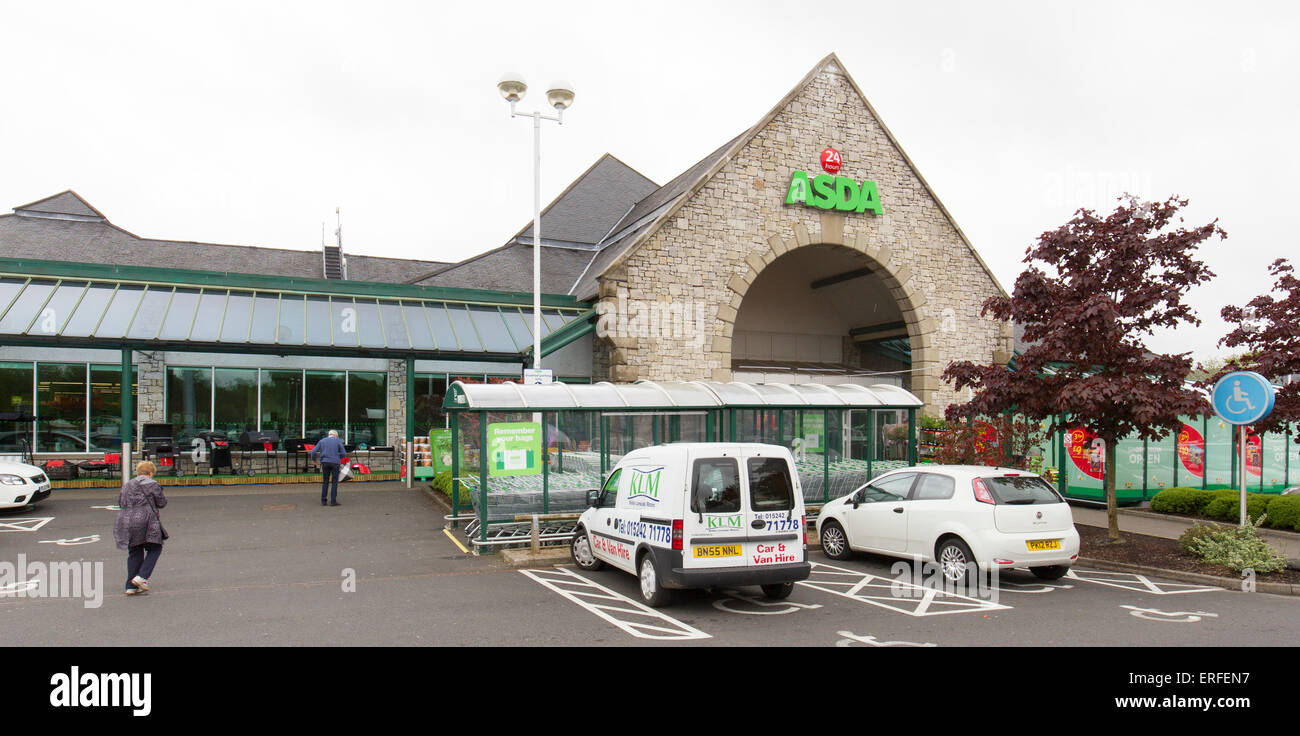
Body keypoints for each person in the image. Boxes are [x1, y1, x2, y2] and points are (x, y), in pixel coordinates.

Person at [113, 460, 169, 596]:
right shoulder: (153, 484)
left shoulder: (127, 485)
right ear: (150, 473)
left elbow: (121, 502)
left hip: (127, 521)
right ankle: (142, 577)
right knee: (155, 548)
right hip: (147, 521)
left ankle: (130, 586)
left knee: (135, 550)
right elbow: (161, 502)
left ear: (138, 473)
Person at [311, 429, 347, 506]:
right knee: (334, 482)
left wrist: (314, 460)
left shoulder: (322, 441)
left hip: (325, 462)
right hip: (335, 463)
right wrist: (337, 457)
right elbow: (344, 453)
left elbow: (313, 451)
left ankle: (323, 500)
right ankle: (333, 501)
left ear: (329, 434)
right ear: (335, 435)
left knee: (325, 481)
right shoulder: (338, 441)